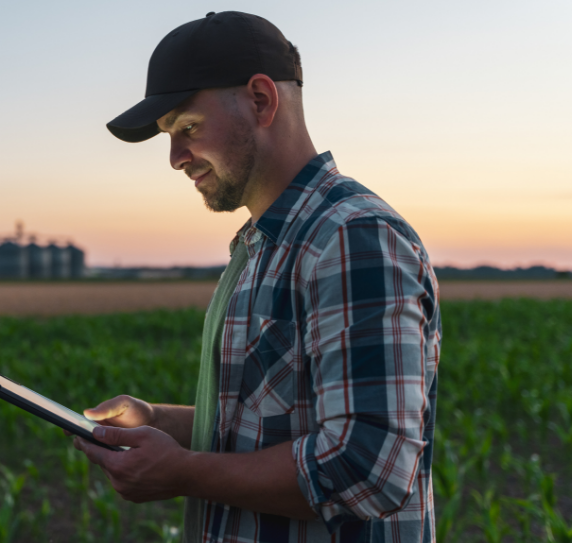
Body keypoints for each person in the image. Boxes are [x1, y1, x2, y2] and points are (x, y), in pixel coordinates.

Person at [72, 11, 441, 543]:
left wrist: (182, 472)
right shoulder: (266, 243)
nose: (175, 158)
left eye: (187, 128)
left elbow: (368, 467)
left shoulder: (351, 237)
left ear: (262, 100)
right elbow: (273, 422)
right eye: (168, 137)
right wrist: (159, 421)